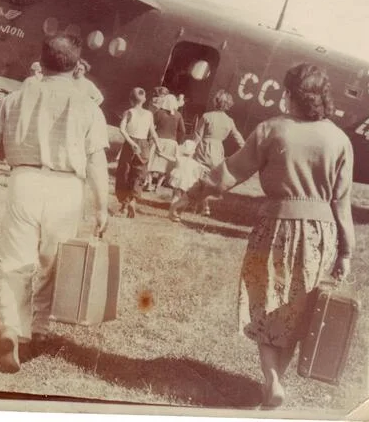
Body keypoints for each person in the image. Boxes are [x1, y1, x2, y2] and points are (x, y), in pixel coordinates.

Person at [0, 33, 110, 373]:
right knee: (52, 263)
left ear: (42, 60)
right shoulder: (86, 106)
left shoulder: (16, 98)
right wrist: (102, 205)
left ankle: (10, 329)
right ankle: (37, 332)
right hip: (67, 187)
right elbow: (96, 160)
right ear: (76, 66)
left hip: (25, 182)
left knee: (14, 261)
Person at [189, 63, 354, 408]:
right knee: (297, 307)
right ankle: (275, 382)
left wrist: (196, 191)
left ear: (290, 94)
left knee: (265, 305)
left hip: (274, 227)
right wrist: (346, 252)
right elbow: (342, 202)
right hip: (319, 234)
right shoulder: (340, 140)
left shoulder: (272, 130)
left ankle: (273, 380)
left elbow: (231, 171)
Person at [192, 89, 245, 215]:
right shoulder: (229, 121)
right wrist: (246, 147)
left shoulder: (207, 116)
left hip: (204, 148)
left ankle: (196, 205)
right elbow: (237, 136)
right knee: (209, 180)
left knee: (199, 178)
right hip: (218, 150)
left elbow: (198, 136)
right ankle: (205, 207)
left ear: (216, 101)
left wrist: (190, 148)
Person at [115, 87, 163, 218]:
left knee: (125, 173)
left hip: (131, 145)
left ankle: (124, 207)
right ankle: (133, 200)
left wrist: (131, 143)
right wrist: (159, 145)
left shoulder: (129, 112)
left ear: (131, 100)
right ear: (145, 100)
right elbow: (153, 132)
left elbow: (122, 129)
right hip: (144, 145)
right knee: (139, 174)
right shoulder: (149, 114)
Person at [145, 94, 186, 192]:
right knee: (165, 166)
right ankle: (158, 186)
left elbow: (150, 126)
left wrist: (148, 138)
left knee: (151, 163)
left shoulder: (159, 113)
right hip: (171, 143)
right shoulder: (178, 115)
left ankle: (149, 183)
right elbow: (183, 131)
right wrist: (178, 141)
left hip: (158, 140)